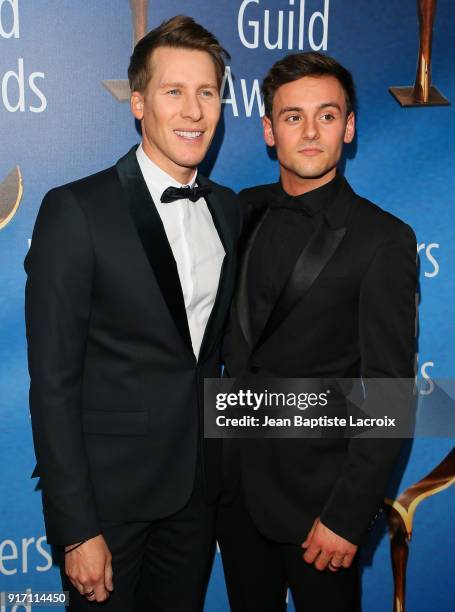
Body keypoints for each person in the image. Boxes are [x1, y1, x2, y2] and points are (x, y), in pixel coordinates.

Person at [25, 15, 240, 612]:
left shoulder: (226, 209)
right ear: (139, 104)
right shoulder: (76, 210)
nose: (193, 111)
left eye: (207, 92)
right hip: (108, 508)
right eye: (174, 92)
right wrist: (75, 528)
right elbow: (53, 383)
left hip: (196, 496)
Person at [218, 51, 417, 612]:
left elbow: (390, 392)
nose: (309, 132)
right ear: (268, 130)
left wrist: (346, 517)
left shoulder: (384, 239)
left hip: (321, 515)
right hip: (235, 500)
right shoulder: (239, 210)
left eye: (326, 116)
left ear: (349, 127)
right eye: (292, 116)